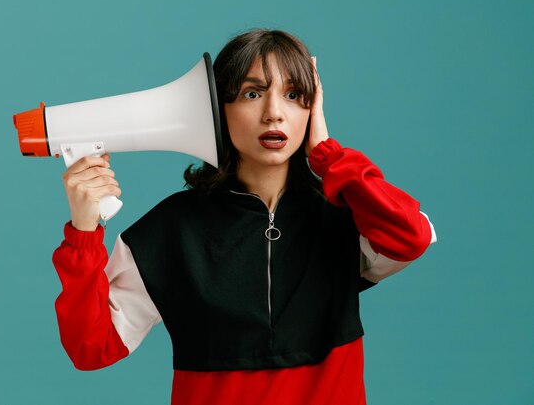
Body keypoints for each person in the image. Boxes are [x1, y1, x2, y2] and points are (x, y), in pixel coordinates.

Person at [52, 29, 437, 405]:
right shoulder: (170, 232)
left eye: (293, 95)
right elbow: (92, 348)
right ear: (219, 109)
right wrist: (84, 232)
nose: (274, 114)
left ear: (312, 109)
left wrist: (329, 155)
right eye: (253, 93)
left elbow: (410, 237)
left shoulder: (344, 214)